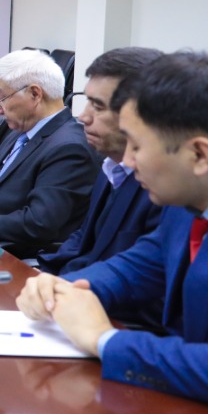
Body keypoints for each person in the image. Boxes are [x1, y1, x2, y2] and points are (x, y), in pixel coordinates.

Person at [17, 52, 208, 414]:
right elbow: (141, 266)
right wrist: (64, 290)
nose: (127, 161)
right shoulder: (194, 191)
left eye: (137, 146)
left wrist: (104, 340)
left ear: (199, 154)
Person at [0, 49, 97, 259]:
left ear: (35, 94)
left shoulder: (69, 148)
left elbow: (38, 222)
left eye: (0, 97)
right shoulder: (21, 131)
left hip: (2, 254)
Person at [37, 47, 164, 277]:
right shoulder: (109, 164)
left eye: (98, 106)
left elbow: (141, 275)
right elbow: (84, 238)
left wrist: (63, 285)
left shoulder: (166, 187)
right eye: (87, 102)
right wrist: (44, 276)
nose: (83, 117)